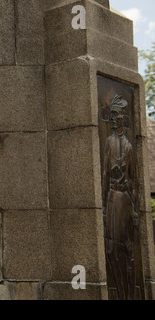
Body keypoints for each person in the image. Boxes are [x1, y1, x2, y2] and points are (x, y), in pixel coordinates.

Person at [102, 94, 138, 300]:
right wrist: (102, 207)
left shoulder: (129, 147)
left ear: (124, 118)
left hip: (124, 199)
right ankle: (121, 293)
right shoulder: (108, 142)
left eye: (118, 115)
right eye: (112, 115)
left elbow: (135, 181)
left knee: (129, 250)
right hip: (112, 198)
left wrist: (135, 210)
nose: (114, 119)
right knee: (111, 250)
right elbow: (105, 175)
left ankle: (130, 295)